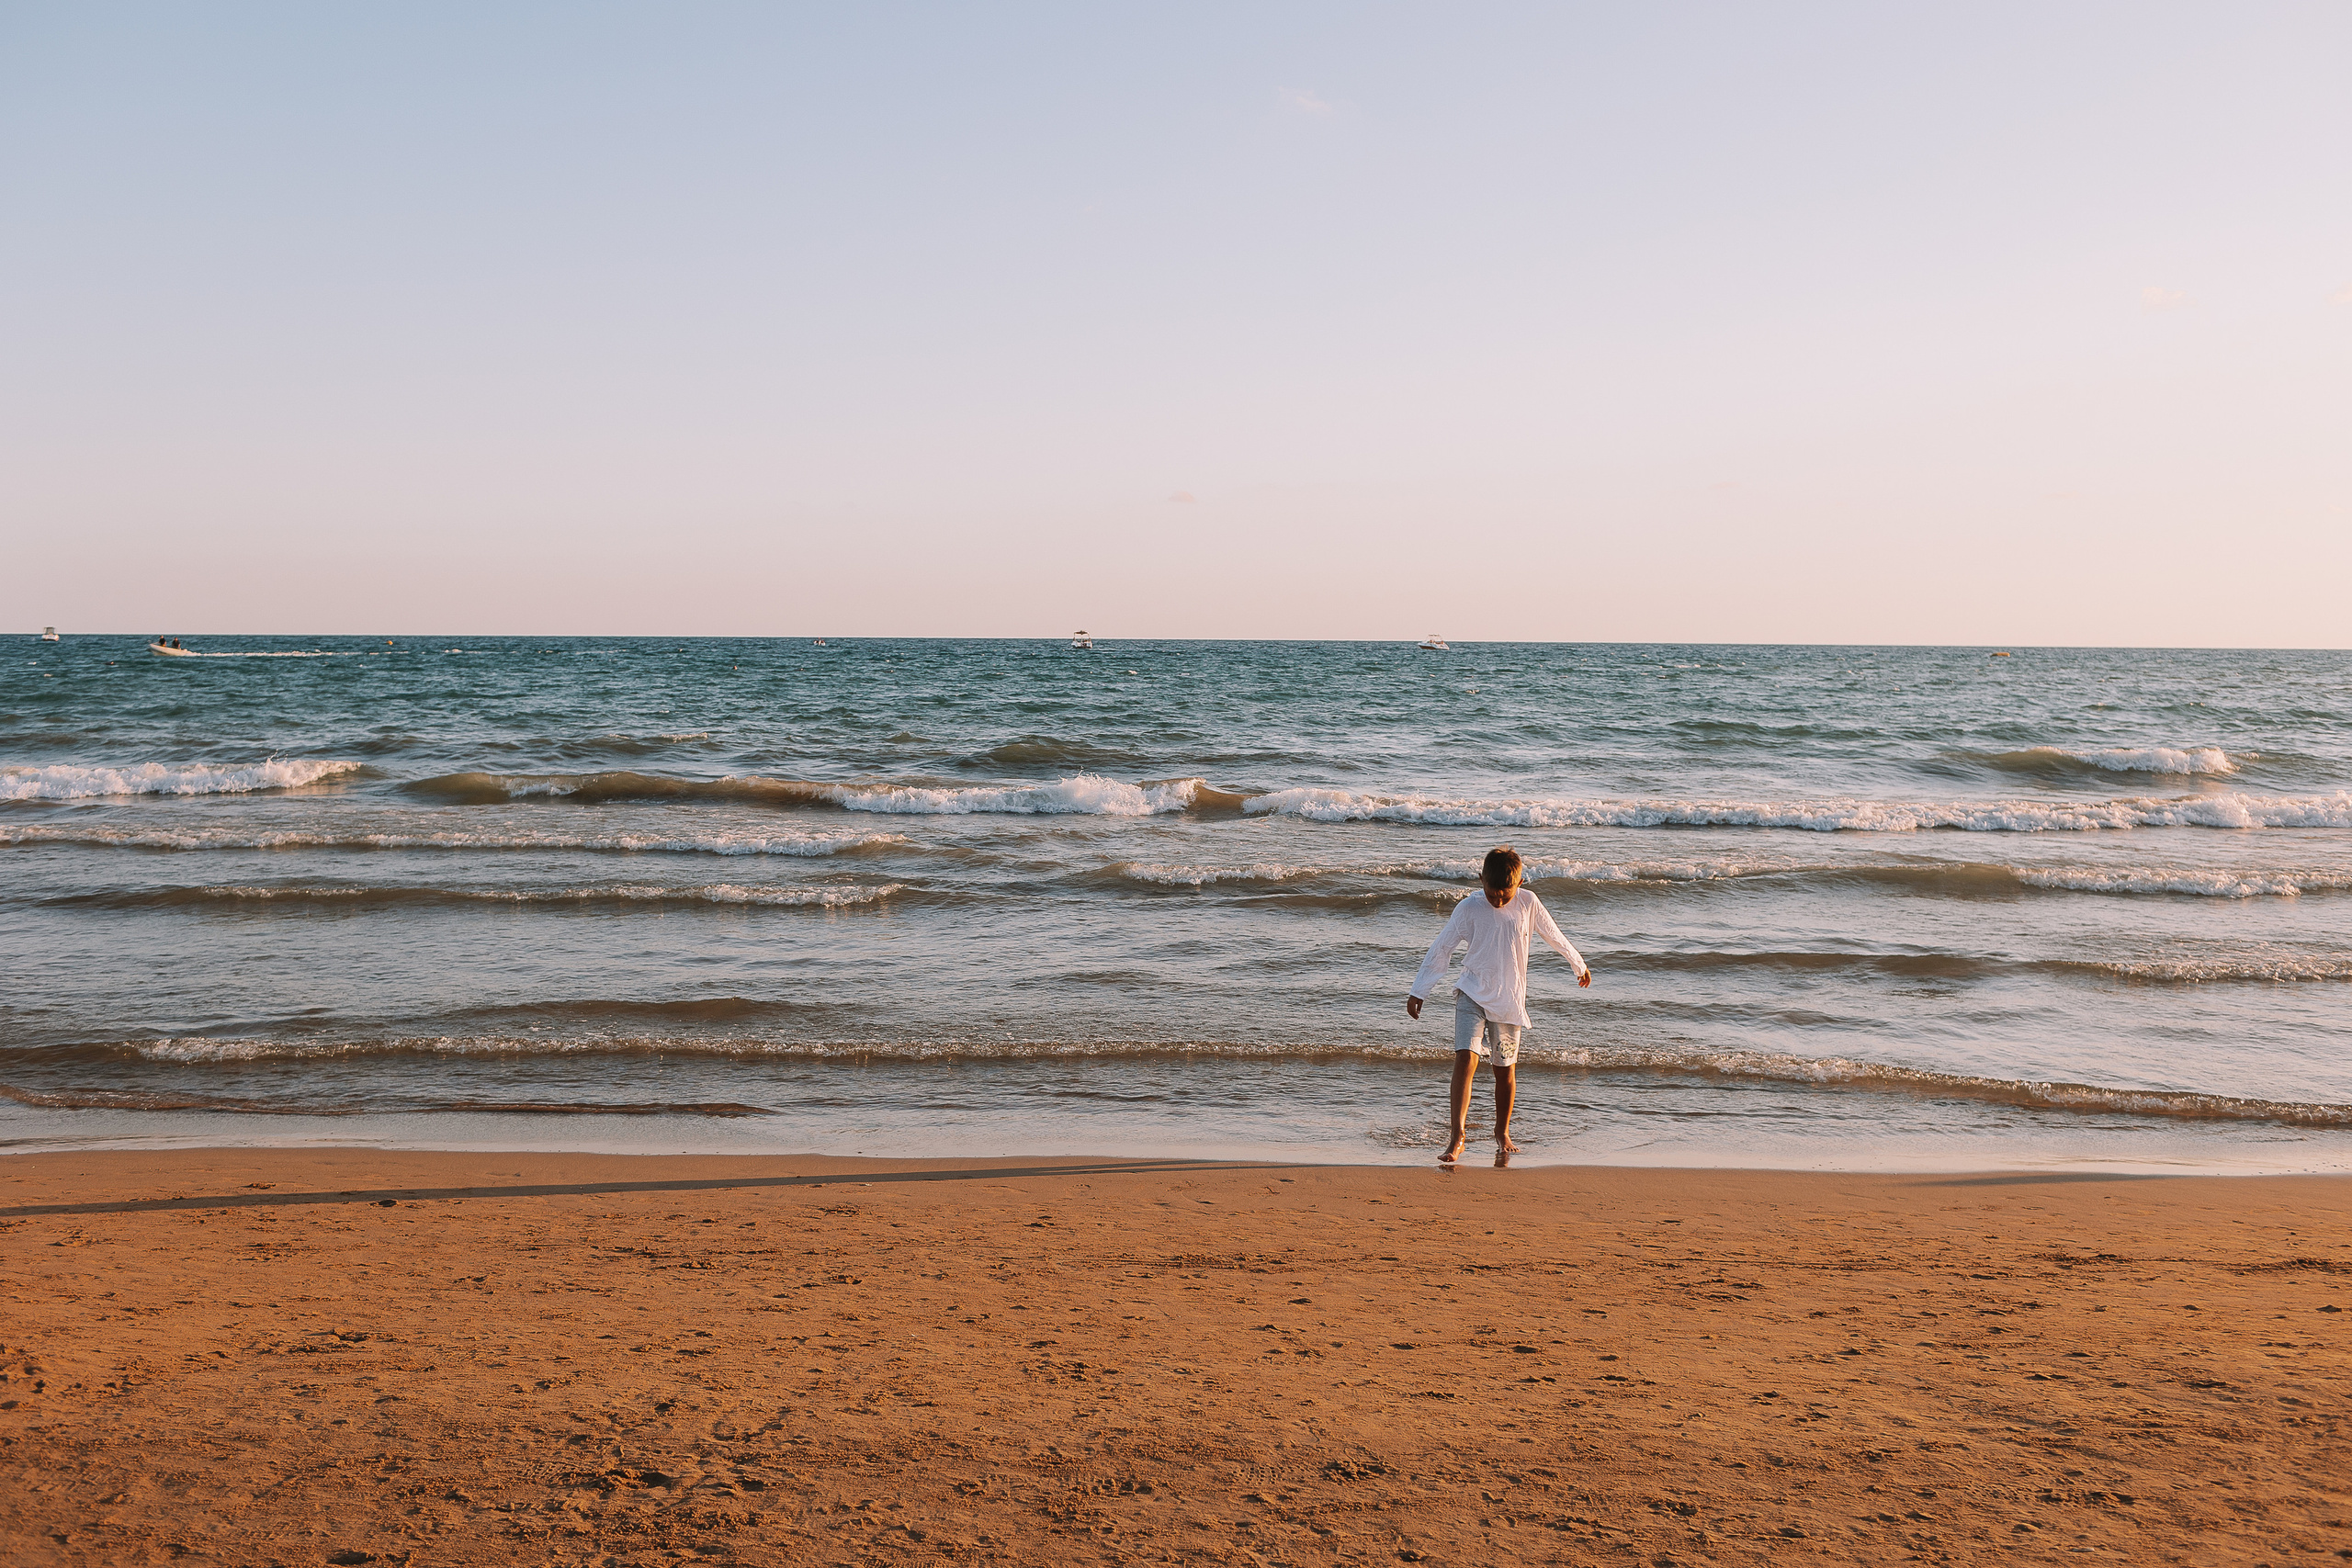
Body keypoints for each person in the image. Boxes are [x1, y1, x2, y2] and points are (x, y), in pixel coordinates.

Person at [1406, 846, 1592, 1164]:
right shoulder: (1469, 908)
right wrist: (1419, 989)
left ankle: (1502, 1132)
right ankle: (1457, 1136)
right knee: (1465, 1058)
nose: (1498, 901)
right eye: (1492, 895)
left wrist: (1577, 963)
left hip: (1508, 1002)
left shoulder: (1528, 903)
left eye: (1505, 896)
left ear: (1519, 884)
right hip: (1472, 993)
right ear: (1481, 881)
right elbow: (1442, 947)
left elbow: (1552, 933)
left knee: (1504, 1071)